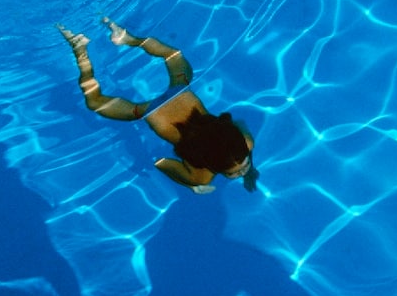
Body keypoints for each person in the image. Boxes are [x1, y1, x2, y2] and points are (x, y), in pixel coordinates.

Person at [57, 17, 258, 194]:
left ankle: (126, 38)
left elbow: (238, 122)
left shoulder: (246, 142)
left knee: (173, 55)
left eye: (239, 170)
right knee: (94, 102)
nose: (243, 172)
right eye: (240, 169)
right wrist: (190, 184)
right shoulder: (202, 176)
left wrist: (247, 164)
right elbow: (160, 163)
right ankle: (79, 49)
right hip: (151, 113)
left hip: (180, 93)